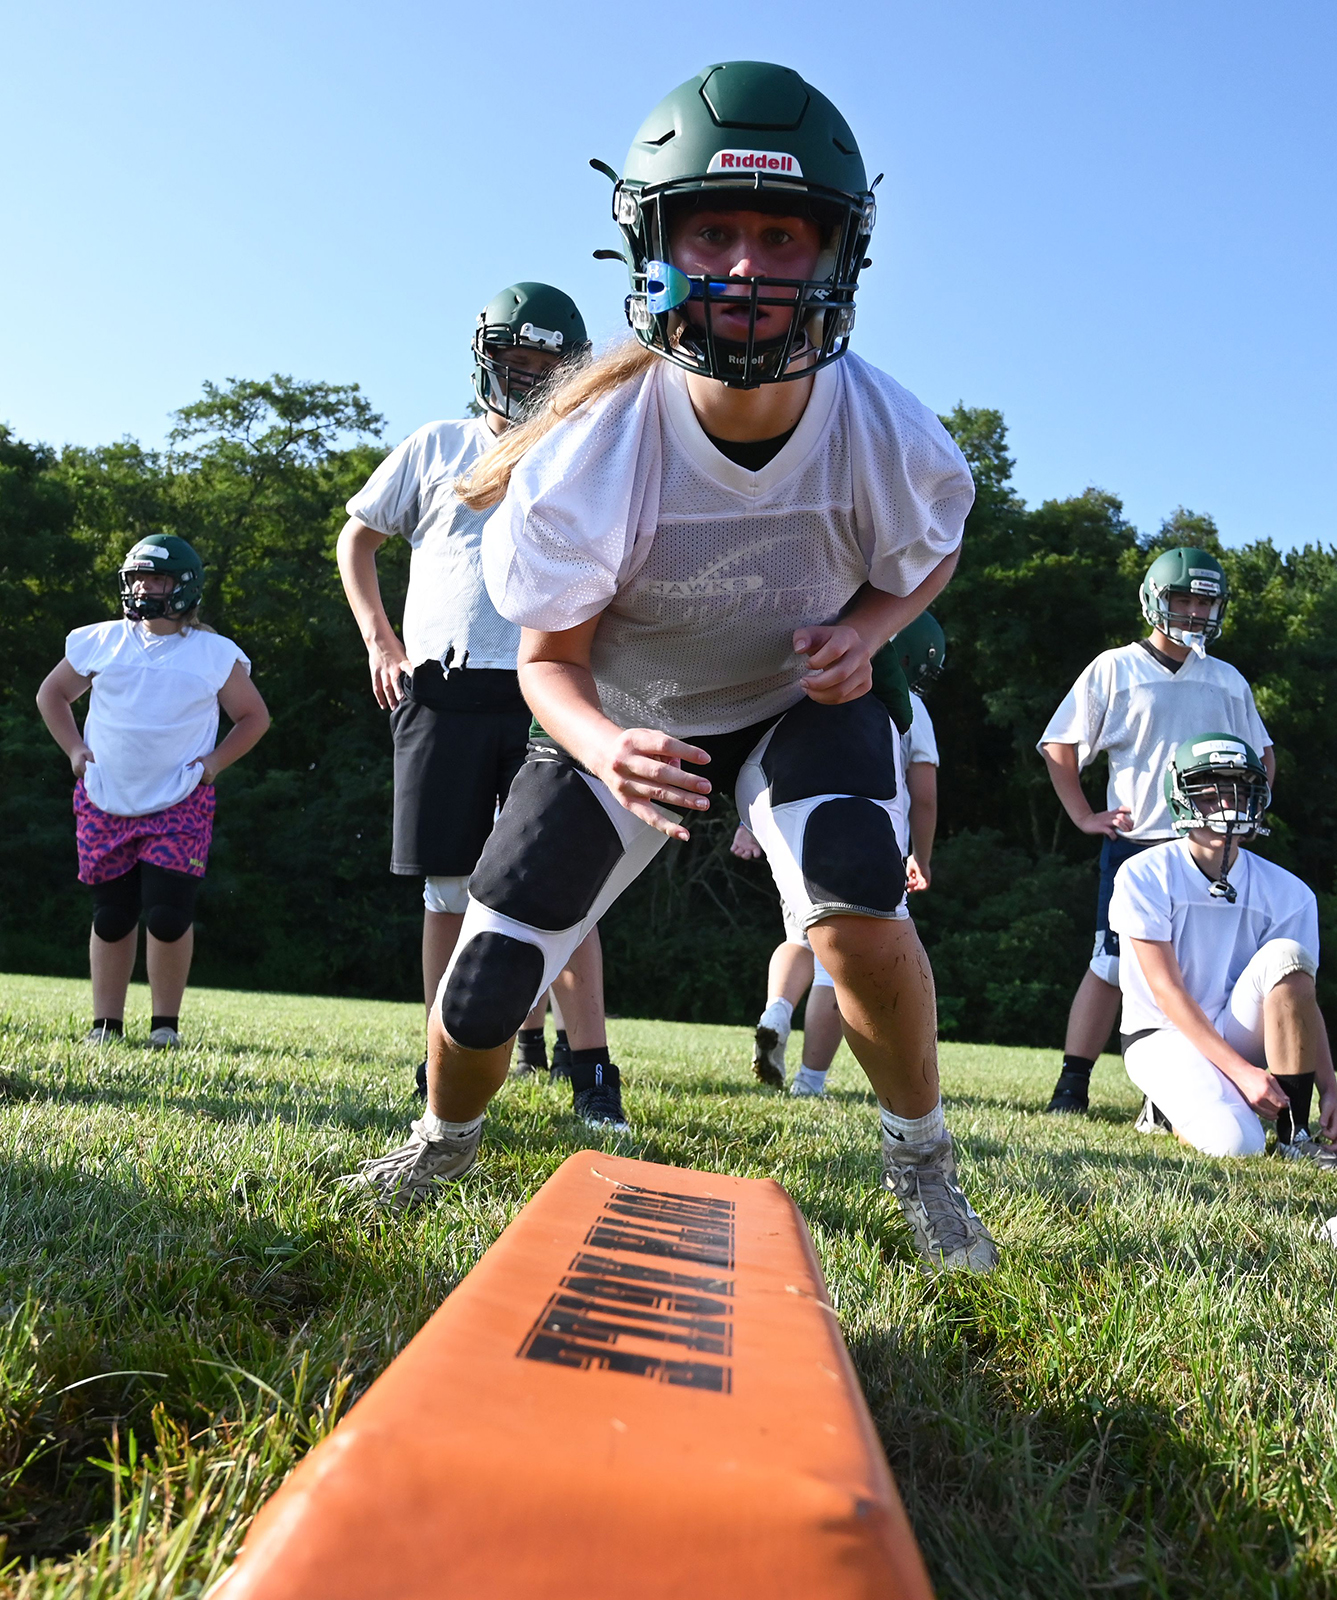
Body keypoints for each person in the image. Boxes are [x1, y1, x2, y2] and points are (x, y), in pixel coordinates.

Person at [342, 61, 997, 1277]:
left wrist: (865, 630)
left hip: (792, 704)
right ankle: (443, 1137)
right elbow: (545, 663)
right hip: (627, 713)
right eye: (714, 230)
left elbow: (930, 553)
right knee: (485, 982)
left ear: (834, 254)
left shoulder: (886, 430)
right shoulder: (589, 446)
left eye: (779, 234)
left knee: (856, 892)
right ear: (652, 245)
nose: (746, 266)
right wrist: (603, 748)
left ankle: (922, 1160)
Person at [336, 283, 606, 1100]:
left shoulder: (582, 450)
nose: (523, 378)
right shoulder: (436, 444)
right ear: (483, 358)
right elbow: (358, 539)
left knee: (563, 885)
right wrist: (382, 642)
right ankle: (441, 1060)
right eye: (511, 361)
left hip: (548, 690)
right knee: (448, 885)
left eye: (540, 365)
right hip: (442, 684)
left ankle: (589, 1066)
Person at [1038, 547, 1274, 1116]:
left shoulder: (1226, 680)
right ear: (1154, 600)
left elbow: (1263, 755)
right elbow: (1059, 743)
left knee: (1199, 977)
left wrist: (1244, 822)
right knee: (1112, 964)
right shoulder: (1115, 668)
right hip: (1138, 842)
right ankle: (1072, 1085)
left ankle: (1171, 1094)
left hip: (1211, 846)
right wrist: (1082, 815)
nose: (1194, 611)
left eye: (1205, 601)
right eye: (1184, 598)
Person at [34, 538, 269, 1047]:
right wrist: (74, 749)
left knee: (167, 914)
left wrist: (213, 765)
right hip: (105, 797)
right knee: (113, 915)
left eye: (155, 579)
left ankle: (165, 1026)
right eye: (136, 578)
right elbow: (51, 693)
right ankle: (106, 1025)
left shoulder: (213, 653)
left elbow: (254, 717)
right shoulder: (101, 640)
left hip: (180, 798)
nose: (142, 588)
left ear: (184, 586)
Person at [741, 614, 943, 1097]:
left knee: (799, 937)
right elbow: (926, 792)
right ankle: (811, 1082)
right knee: (840, 967)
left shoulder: (812, 692)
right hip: (871, 849)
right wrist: (922, 855)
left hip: (800, 836)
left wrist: (748, 826)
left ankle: (776, 1011)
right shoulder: (909, 706)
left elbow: (771, 767)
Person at [1111, 733, 1336, 1160]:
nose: (1229, 805)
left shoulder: (1290, 892)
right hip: (1162, 1033)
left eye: (1239, 791)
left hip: (1237, 1028)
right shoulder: (1142, 874)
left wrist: (1331, 1087)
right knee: (1237, 1144)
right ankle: (1166, 1109)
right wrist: (1244, 1075)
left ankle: (1295, 1136)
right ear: (1181, 798)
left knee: (1286, 956)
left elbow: (1299, 1002)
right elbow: (1167, 991)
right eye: (1212, 793)